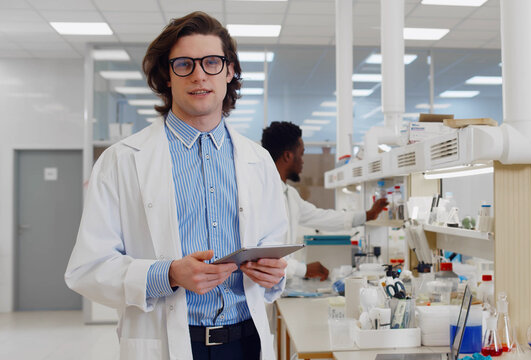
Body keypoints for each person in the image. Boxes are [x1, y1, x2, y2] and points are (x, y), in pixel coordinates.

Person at [65, 12, 287, 360]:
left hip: (247, 342)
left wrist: (273, 274)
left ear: (230, 71)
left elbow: (273, 251)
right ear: (166, 76)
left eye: (212, 62)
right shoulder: (122, 160)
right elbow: (87, 270)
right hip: (167, 343)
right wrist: (168, 274)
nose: (199, 75)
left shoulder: (257, 162)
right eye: (184, 64)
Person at [261, 122, 388, 281]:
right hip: (263, 290)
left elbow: (322, 217)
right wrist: (303, 269)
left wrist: (367, 215)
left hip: (278, 284)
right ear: (288, 156)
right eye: (301, 154)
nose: (302, 160)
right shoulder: (263, 195)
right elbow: (265, 252)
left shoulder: (289, 195)